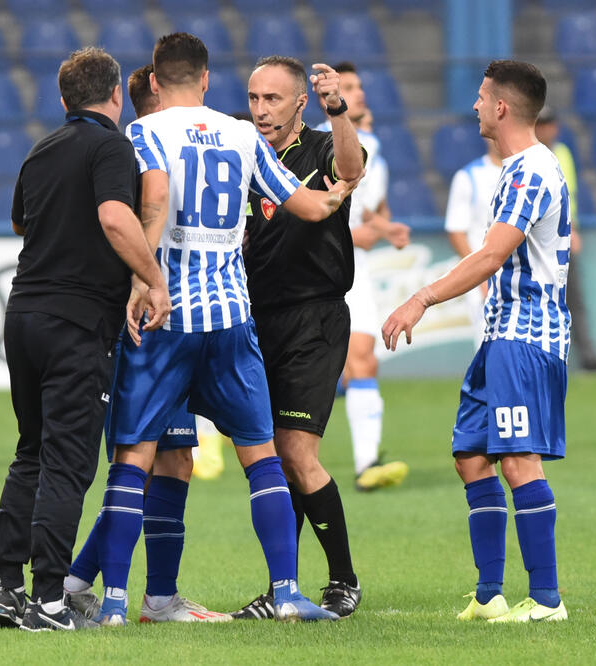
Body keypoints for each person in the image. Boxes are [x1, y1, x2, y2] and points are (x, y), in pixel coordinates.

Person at [82, 32, 355, 627]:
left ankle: (112, 605)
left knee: (135, 457)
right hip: (232, 319)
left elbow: (153, 203)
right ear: (207, 80)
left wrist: (144, 280)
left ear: (154, 82)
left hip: (167, 316)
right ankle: (286, 591)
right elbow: (306, 206)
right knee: (260, 456)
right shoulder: (240, 134)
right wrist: (338, 193)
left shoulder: (145, 132)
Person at [0, 47, 171, 633]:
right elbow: (117, 217)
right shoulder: (112, 146)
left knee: (31, 451)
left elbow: (20, 220)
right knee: (68, 460)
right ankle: (50, 600)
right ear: (116, 95)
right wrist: (152, 277)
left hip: (24, 315)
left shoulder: (42, 150)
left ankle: (6, 585)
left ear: (64, 100)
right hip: (77, 320)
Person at [382, 60, 570, 623]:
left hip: (527, 333)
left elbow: (491, 256)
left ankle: (546, 602)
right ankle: (490, 595)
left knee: (516, 459)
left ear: (503, 107)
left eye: (482, 97)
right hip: (500, 333)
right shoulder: (517, 167)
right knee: (471, 456)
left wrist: (422, 297)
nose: (475, 106)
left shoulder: (532, 170)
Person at [62, 63, 230, 625]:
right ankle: (99, 588)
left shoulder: (164, 152)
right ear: (154, 103)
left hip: (182, 325)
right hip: (143, 329)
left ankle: (139, 593)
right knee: (138, 459)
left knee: (175, 458)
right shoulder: (128, 155)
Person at [231, 55, 365, 621]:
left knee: (294, 450)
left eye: (273, 99)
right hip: (254, 318)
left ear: (300, 103)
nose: (261, 110)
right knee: (270, 460)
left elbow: (351, 167)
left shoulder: (319, 148)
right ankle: (282, 586)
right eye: (255, 98)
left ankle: (343, 580)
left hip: (314, 317)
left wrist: (340, 109)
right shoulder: (238, 151)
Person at [318, 62, 411, 492]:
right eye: (350, 87)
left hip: (358, 271)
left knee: (364, 360)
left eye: (359, 86)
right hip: (320, 271)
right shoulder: (313, 144)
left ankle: (367, 462)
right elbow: (322, 218)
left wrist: (383, 226)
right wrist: (374, 230)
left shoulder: (370, 146)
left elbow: (371, 210)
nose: (361, 94)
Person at [534, 106, 596, 371]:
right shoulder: (531, 154)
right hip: (538, 240)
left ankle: (586, 355)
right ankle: (545, 356)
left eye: (549, 123)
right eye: (541, 124)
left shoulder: (562, 152)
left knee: (573, 298)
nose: (546, 129)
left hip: (562, 237)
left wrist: (572, 229)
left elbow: (569, 196)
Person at [444, 138, 503, 349]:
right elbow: (456, 230)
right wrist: (479, 276)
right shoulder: (469, 176)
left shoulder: (529, 171)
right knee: (489, 348)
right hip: (486, 276)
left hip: (523, 277)